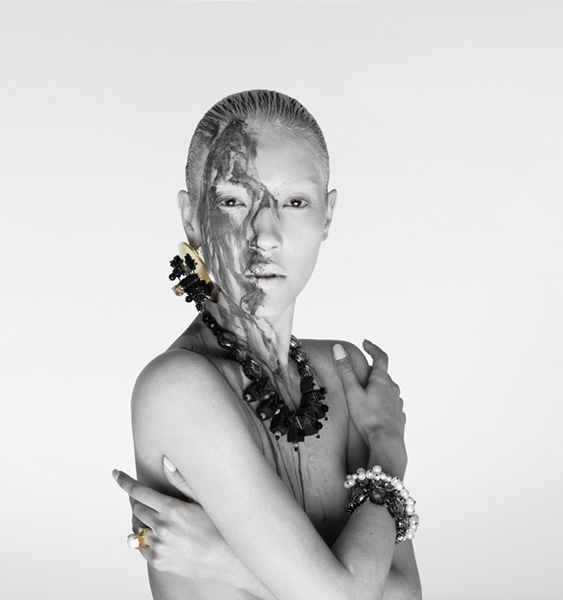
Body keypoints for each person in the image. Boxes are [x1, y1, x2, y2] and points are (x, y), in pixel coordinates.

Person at [113, 90, 422, 600]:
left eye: (295, 202)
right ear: (191, 217)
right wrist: (388, 446)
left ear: (327, 216)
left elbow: (406, 595)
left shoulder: (343, 371)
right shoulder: (179, 387)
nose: (266, 234)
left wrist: (226, 560)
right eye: (234, 201)